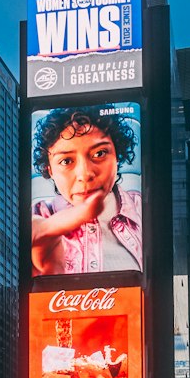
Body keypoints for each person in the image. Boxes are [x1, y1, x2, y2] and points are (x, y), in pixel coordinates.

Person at [31, 105, 142, 276]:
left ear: (117, 157)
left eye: (99, 153)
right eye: (66, 161)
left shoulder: (145, 209)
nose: (85, 174)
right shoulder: (36, 217)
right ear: (50, 170)